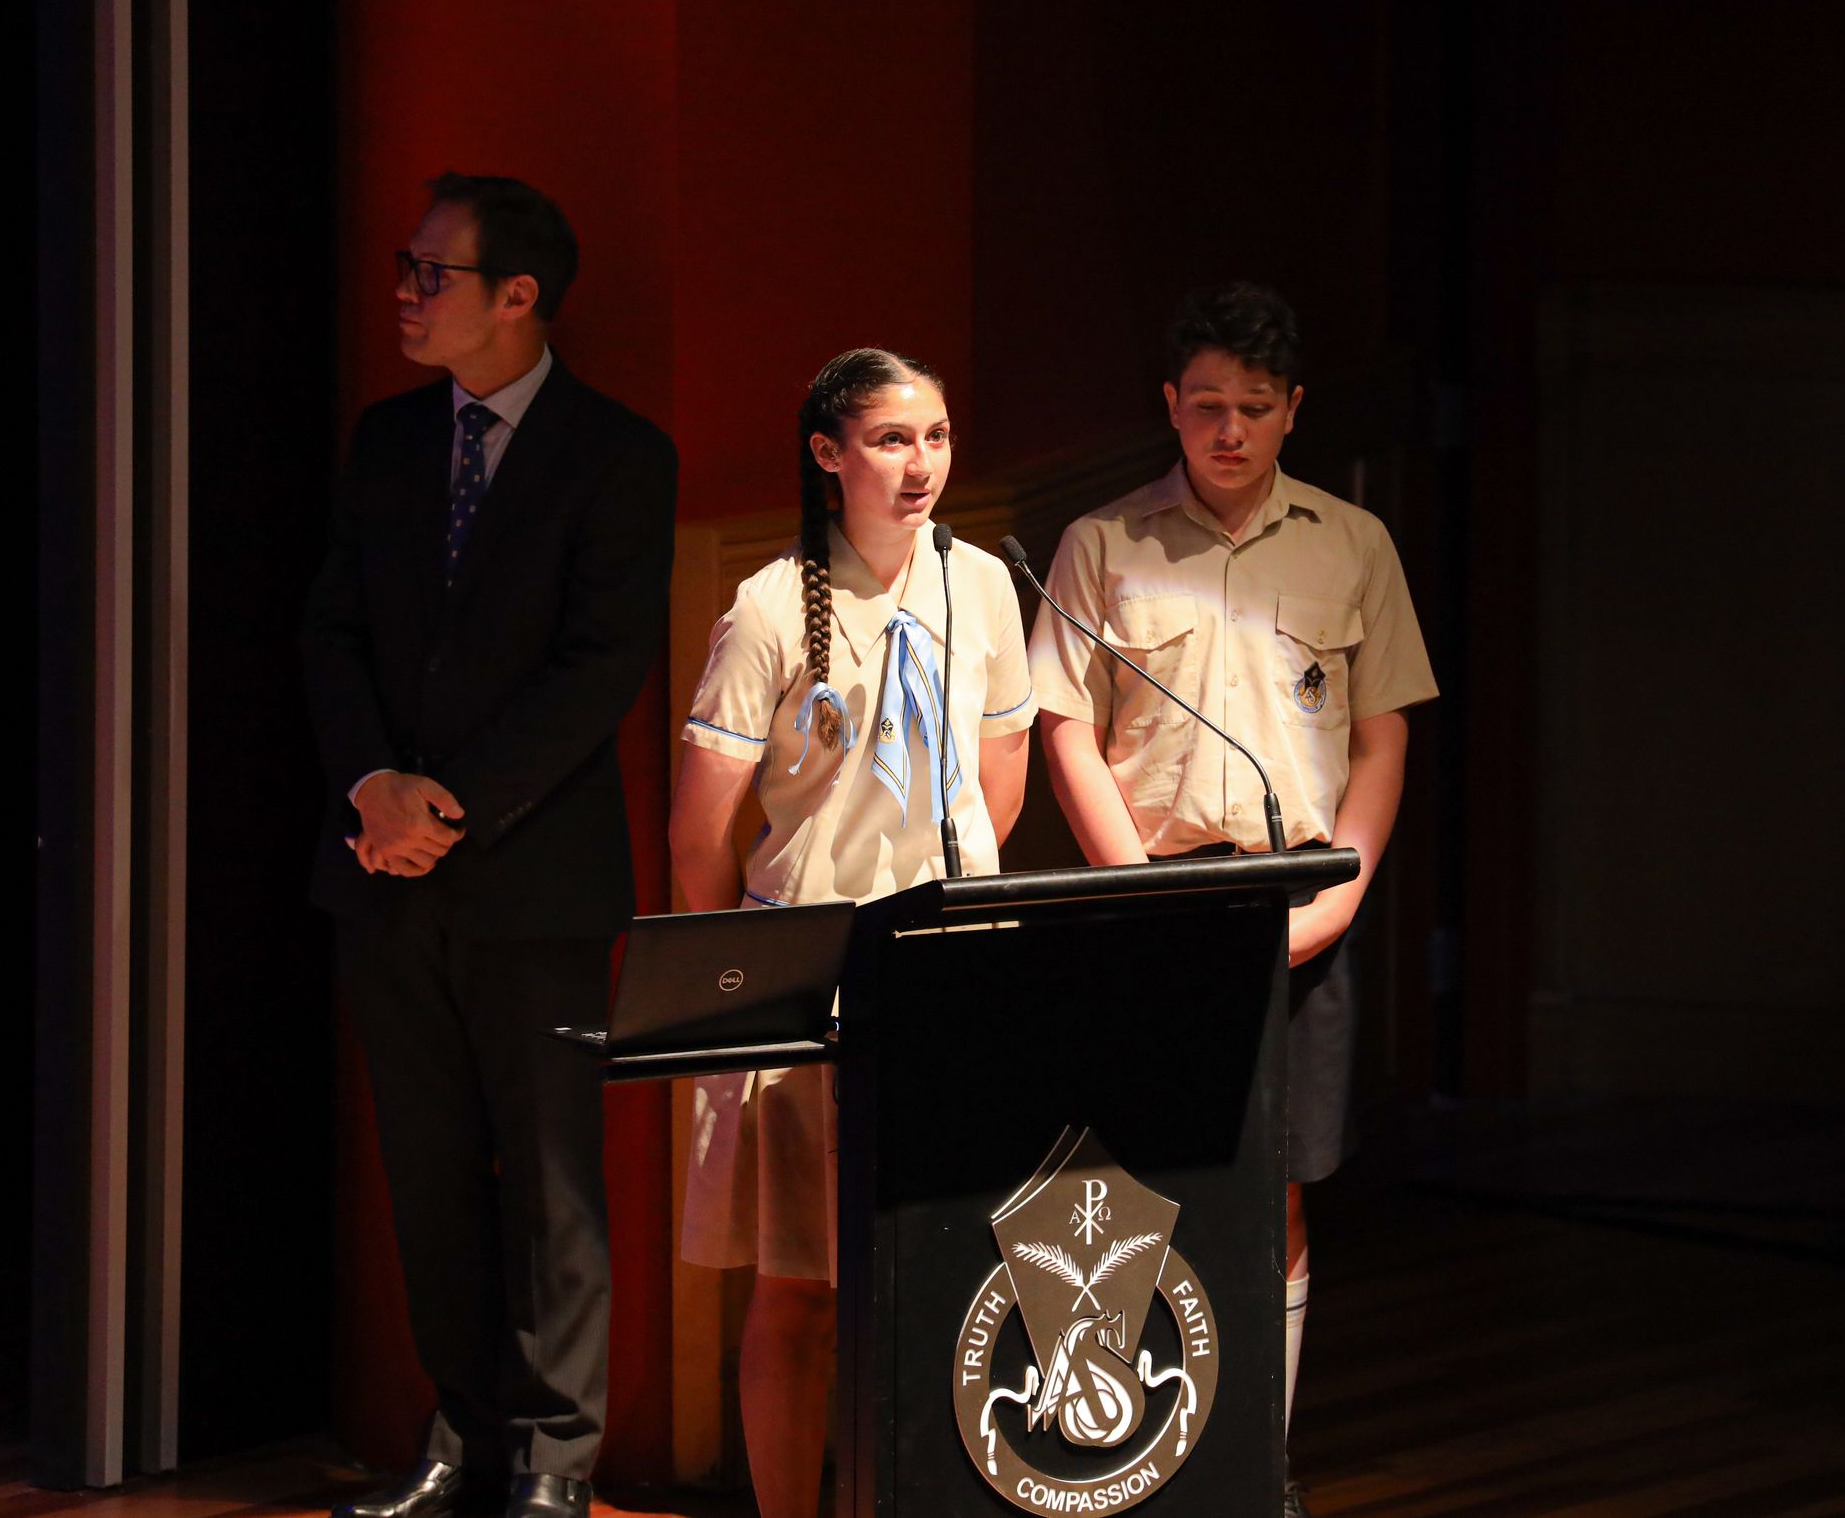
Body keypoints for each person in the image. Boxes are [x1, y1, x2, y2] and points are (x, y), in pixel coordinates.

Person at [1026, 281, 1435, 1518]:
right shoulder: (1102, 542)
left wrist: (1342, 895)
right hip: (1151, 899)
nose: (1228, 430)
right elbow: (1064, 726)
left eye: (1253, 407)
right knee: (1141, 1184)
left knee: (1282, 1185)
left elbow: (1383, 735)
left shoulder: (1352, 541)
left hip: (1302, 895)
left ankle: (1257, 1461)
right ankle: (1142, 1456)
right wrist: (1132, 887)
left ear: (1292, 408)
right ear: (1169, 403)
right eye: (1205, 405)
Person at [302, 173, 678, 1518]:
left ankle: (552, 1461)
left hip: (532, 876)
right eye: (407, 266)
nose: (404, 291)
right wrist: (373, 789)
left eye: (431, 272)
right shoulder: (389, 437)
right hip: (383, 870)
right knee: (431, 1174)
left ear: (517, 296)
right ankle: (460, 1437)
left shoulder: (618, 452)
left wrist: (445, 806)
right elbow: (333, 629)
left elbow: (598, 668)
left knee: (554, 1184)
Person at [668, 348, 1035, 1518]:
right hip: (814, 975)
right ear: (829, 454)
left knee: (946, 1273)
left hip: (947, 967)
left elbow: (999, 778)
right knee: (802, 1286)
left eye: (934, 436)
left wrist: (941, 903)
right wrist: (744, 984)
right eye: (889, 439)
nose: (919, 463)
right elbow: (699, 833)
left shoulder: (981, 582)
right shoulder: (773, 606)